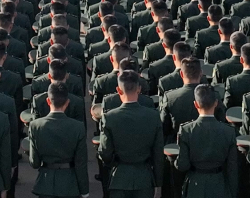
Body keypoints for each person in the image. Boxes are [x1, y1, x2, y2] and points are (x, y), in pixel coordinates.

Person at [98, 70, 164, 198]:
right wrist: (158, 183)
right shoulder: (153, 116)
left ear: (118, 90)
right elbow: (158, 154)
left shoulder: (109, 117)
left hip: (119, 178)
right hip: (144, 178)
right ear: (139, 89)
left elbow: (105, 153)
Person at [27, 80, 89, 198]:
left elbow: (34, 163)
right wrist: (84, 190)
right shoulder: (78, 127)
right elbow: (81, 163)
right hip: (70, 185)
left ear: (48, 101)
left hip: (46, 184)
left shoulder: (35, 126)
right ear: (67, 102)